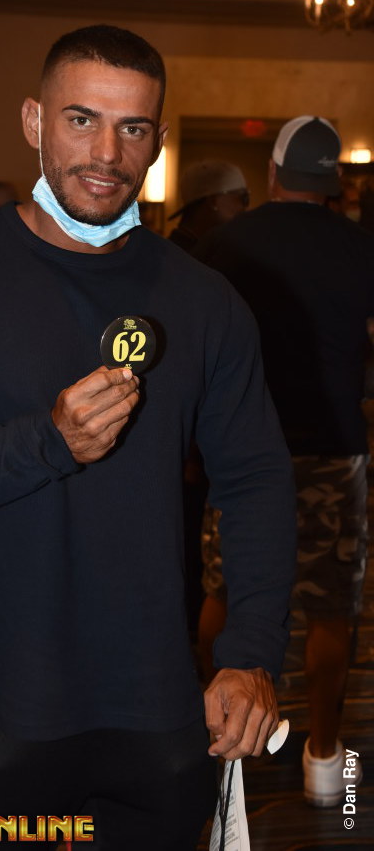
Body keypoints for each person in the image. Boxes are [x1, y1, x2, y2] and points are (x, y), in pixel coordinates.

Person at [0, 25, 296, 850]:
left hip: (155, 698)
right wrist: (47, 442)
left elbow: (257, 479)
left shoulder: (204, 300)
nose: (107, 153)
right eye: (81, 120)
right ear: (33, 121)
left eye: (132, 127)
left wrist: (250, 650)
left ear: (157, 139)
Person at [195, 116, 373, 808]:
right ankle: (325, 755)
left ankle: (216, 735)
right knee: (331, 607)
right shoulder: (361, 248)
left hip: (240, 447)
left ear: (272, 173)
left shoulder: (226, 244)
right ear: (334, 180)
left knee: (225, 590)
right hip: (334, 448)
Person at [168, 159, 250, 640]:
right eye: (242, 200)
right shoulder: (188, 261)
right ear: (217, 202)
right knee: (186, 555)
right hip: (187, 442)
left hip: (194, 440)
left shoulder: (191, 252)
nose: (246, 210)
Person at [168, 159, 249, 253]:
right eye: (243, 197)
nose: (244, 208)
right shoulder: (187, 255)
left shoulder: (197, 248)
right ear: (213, 201)